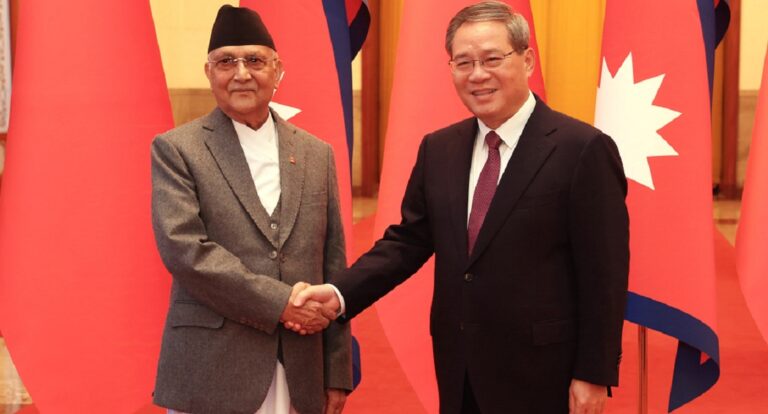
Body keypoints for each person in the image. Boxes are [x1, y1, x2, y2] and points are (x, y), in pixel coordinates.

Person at [291, 1, 629, 413]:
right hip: (460, 366)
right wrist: (339, 294)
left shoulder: (582, 149)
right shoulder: (440, 149)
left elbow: (604, 275)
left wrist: (593, 373)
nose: (478, 74)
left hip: (545, 373)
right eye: (464, 62)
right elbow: (407, 243)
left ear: (526, 60)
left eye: (492, 59)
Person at [150, 5, 351, 414]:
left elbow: (333, 265)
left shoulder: (317, 153)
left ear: (278, 71)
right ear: (209, 73)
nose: (241, 73)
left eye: (255, 61)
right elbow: (186, 252)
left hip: (300, 365)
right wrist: (282, 303)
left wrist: (337, 372)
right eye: (227, 62)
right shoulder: (177, 149)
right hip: (213, 363)